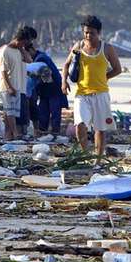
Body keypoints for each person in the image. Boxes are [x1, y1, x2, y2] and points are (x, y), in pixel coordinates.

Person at [62, 15, 122, 158]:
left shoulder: (107, 48)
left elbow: (117, 69)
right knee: (80, 125)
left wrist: (104, 77)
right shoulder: (79, 46)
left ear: (99, 33)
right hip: (82, 94)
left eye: (92, 33)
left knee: (100, 130)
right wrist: (63, 82)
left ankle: (98, 160)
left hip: (101, 94)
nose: (88, 35)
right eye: (86, 32)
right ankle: (85, 155)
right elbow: (66, 65)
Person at [0, 28, 33, 141]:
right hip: (8, 86)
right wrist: (9, 87)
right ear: (19, 39)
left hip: (19, 85)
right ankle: (15, 134)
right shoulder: (5, 51)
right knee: (10, 111)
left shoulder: (19, 50)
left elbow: (29, 60)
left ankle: (8, 135)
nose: (24, 45)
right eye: (24, 42)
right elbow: (3, 71)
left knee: (11, 112)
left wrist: (22, 49)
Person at [26, 39, 68, 135]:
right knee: (44, 112)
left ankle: (54, 132)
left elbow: (45, 78)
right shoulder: (40, 57)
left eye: (27, 53)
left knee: (54, 112)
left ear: (31, 50)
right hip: (45, 91)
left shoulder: (40, 59)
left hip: (53, 89)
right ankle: (44, 131)